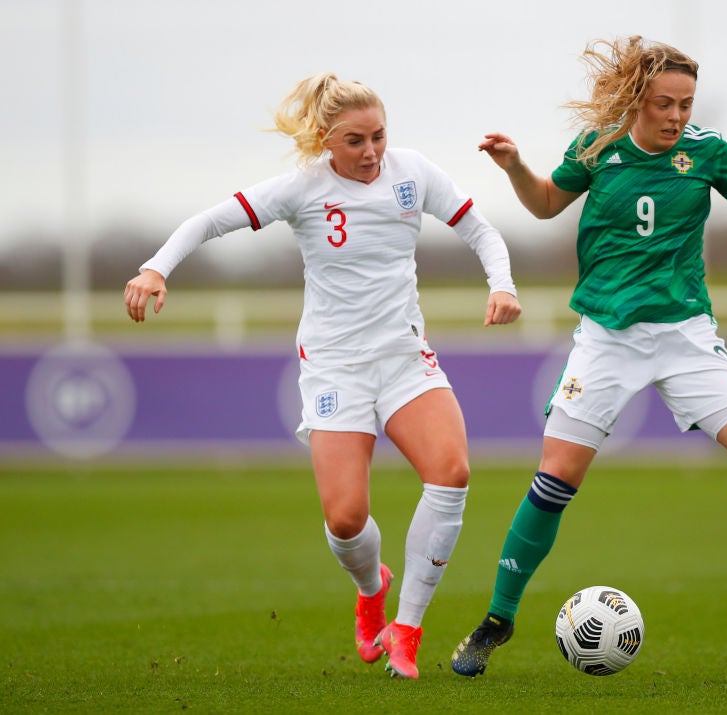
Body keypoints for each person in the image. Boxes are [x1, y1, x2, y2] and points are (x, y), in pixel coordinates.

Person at [450, 36, 727, 677]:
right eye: (665, 103)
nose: (678, 116)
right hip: (606, 338)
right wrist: (515, 166)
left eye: (687, 103)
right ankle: (497, 621)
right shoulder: (597, 146)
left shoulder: (708, 153)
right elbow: (547, 203)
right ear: (638, 99)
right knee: (554, 483)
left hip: (687, 336)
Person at [123, 72, 522, 680]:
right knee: (345, 520)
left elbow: (479, 229)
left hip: (404, 358)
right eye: (355, 140)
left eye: (379, 136)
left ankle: (407, 632)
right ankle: (371, 589)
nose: (371, 152)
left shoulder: (412, 174)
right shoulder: (301, 188)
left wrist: (503, 284)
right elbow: (208, 221)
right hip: (335, 366)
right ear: (323, 141)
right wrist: (155, 268)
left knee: (452, 472)